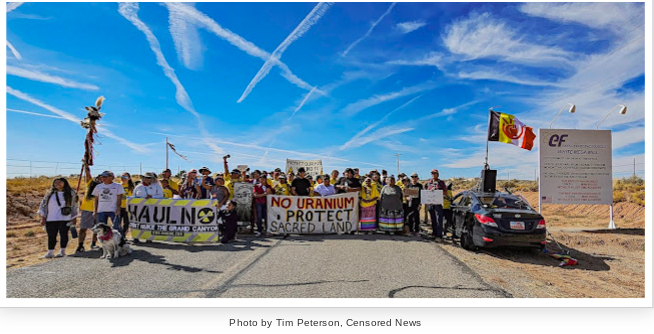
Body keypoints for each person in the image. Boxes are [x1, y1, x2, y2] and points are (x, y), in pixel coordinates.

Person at [37, 178, 79, 258]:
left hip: (65, 218)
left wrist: (74, 217)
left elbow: (74, 206)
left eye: (59, 182)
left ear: (64, 183)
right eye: (55, 182)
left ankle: (62, 251)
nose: (57, 184)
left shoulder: (71, 193)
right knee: (51, 235)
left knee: (63, 235)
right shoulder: (49, 193)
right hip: (51, 218)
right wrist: (43, 217)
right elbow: (43, 205)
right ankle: (50, 252)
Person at [77, 166, 100, 252]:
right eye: (98, 178)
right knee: (83, 228)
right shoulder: (90, 184)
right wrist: (86, 164)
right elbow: (87, 174)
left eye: (102, 178)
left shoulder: (105, 188)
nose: (100, 180)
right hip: (87, 209)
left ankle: (93, 244)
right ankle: (80, 245)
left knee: (97, 229)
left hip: (99, 210)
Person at [425, 169, 448, 242]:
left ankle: (439, 236)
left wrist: (438, 191)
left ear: (438, 174)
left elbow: (445, 192)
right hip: (430, 204)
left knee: (439, 219)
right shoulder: (428, 183)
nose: (433, 174)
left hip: (438, 204)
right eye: (432, 173)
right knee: (433, 219)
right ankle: (434, 234)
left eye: (435, 173)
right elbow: (425, 192)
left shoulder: (441, 183)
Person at [117, 172, 135, 239]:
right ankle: (119, 236)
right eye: (122, 177)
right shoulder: (118, 186)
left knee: (126, 223)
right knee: (117, 223)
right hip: (119, 207)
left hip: (128, 207)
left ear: (129, 178)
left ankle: (123, 236)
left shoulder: (132, 187)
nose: (123, 179)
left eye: (125, 177)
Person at [405, 173, 424, 237]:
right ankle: (410, 230)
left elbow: (422, 195)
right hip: (410, 204)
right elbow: (406, 195)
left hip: (417, 204)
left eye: (415, 177)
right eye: (412, 177)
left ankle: (417, 231)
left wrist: (420, 203)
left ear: (417, 178)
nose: (414, 178)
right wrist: (407, 198)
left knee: (416, 218)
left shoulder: (420, 186)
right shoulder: (408, 185)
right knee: (410, 217)